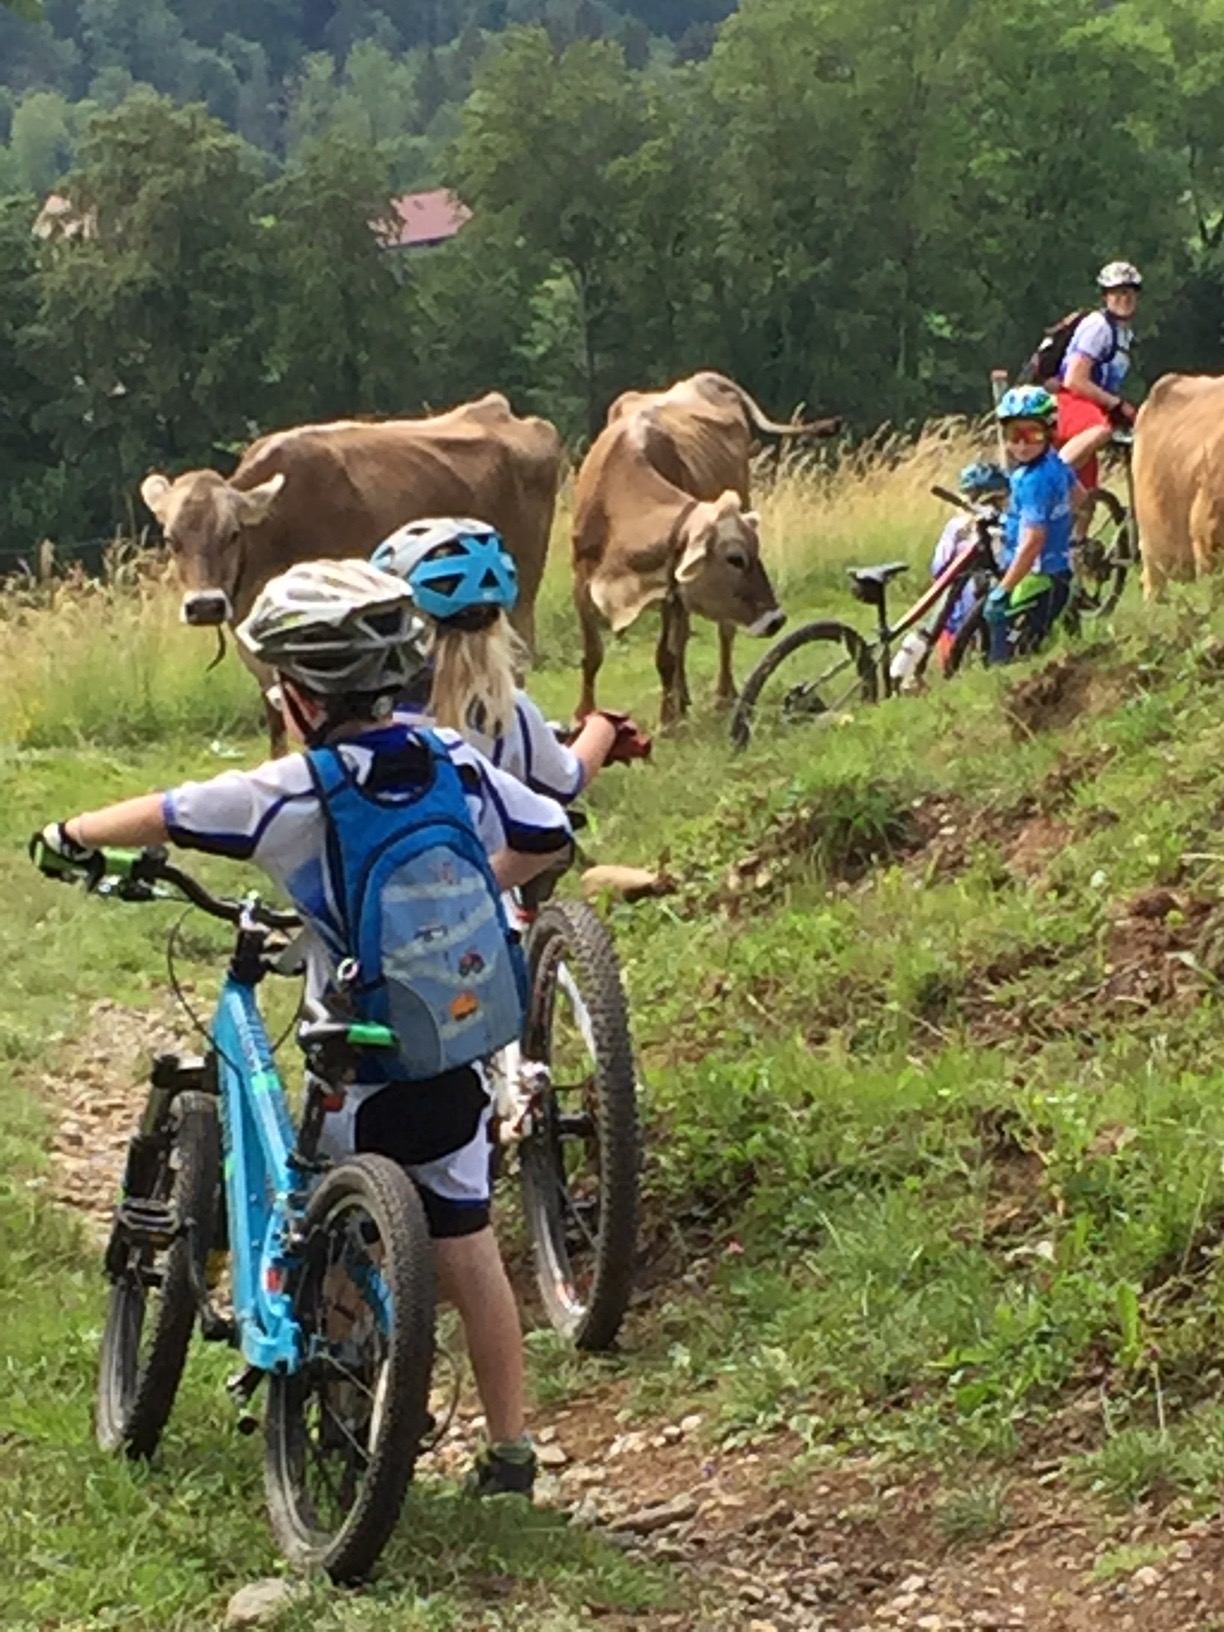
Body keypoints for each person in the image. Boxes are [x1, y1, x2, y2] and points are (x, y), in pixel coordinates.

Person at [31, 558, 573, 1500]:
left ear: (299, 696)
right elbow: (550, 831)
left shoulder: (297, 791)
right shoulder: (452, 759)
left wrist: (69, 832)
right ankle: (513, 1452)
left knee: (333, 1221)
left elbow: (168, 814)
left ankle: (345, 1418)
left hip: (360, 1063)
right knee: (470, 1245)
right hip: (454, 1044)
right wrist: (478, 884)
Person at [370, 517, 651, 803]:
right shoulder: (505, 711)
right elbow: (567, 780)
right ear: (496, 624)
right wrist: (603, 727)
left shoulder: (362, 707)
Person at [985, 386, 1084, 664]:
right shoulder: (1056, 463)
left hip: (1037, 578)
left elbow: (1032, 542)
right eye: (1013, 435)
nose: (1022, 445)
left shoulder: (1031, 481)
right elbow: (1080, 497)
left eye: (1033, 435)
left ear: (1049, 432)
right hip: (1058, 570)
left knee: (1005, 640)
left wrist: (1004, 589)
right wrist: (1062, 528)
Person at [1055, 260, 1142, 492]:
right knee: (1100, 431)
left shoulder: (1124, 333)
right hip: (1072, 401)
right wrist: (1116, 404)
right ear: (1105, 296)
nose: (1125, 298)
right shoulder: (1098, 327)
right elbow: (1074, 379)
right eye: (1118, 293)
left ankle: (1075, 529)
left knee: (1086, 497)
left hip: (1093, 406)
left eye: (1131, 292)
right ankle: (1049, 480)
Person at [930, 461, 1010, 671]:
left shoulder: (953, 527)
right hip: (980, 601)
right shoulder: (1001, 524)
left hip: (949, 609)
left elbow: (938, 567)